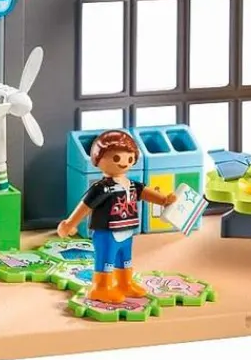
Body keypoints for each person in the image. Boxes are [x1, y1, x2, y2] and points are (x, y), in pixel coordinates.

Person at [57, 130, 177, 303]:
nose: (123, 162)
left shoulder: (132, 185)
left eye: (129, 158)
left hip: (127, 231)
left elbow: (145, 193)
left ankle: (124, 283)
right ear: (98, 158)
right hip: (106, 233)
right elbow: (86, 205)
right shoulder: (102, 188)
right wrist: (70, 223)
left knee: (125, 259)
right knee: (106, 260)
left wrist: (164, 200)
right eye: (116, 158)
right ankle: (100, 288)